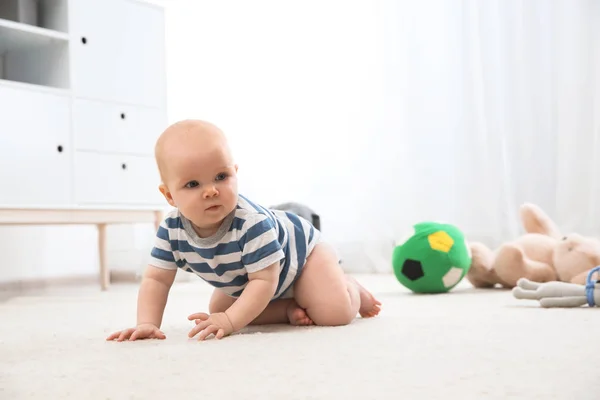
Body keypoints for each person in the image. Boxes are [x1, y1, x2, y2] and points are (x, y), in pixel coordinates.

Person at [107, 119, 382, 342]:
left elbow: (264, 281)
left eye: (221, 177)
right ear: (169, 196)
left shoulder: (250, 223)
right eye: (193, 184)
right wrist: (147, 323)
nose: (211, 190)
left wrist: (229, 323)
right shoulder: (171, 229)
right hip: (250, 278)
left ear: (235, 173)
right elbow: (156, 280)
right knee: (219, 309)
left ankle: (350, 288)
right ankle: (287, 308)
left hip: (302, 256)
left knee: (332, 313)